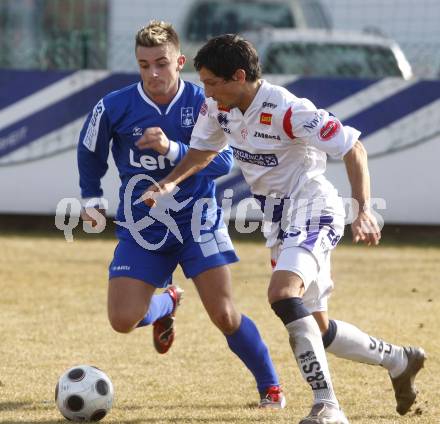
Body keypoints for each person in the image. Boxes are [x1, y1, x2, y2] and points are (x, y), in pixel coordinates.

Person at [142, 34, 426, 424]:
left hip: (314, 209)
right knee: (318, 328)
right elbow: (203, 151)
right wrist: (170, 183)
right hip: (279, 224)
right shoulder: (219, 107)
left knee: (281, 293)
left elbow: (352, 148)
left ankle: (328, 406)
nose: (204, 91)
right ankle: (398, 359)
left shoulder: (287, 110)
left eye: (211, 82)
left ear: (238, 76)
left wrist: (362, 210)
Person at [77, 22, 285, 408]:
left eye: (161, 63)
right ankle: (168, 302)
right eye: (143, 65)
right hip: (142, 225)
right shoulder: (114, 105)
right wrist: (90, 197)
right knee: (122, 319)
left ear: (180, 61)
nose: (153, 73)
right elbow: (90, 150)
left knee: (224, 314)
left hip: (198, 220)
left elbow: (222, 161)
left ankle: (270, 386)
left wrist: (172, 148)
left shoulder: (206, 103)